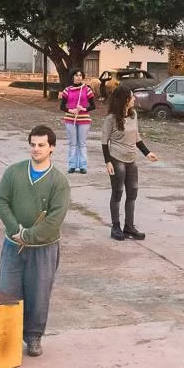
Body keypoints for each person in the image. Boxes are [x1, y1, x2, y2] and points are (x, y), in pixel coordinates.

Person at [0, 125, 72, 357]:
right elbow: (1, 201)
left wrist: (28, 236)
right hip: (13, 246)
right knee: (7, 292)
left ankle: (34, 337)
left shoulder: (59, 181)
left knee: (38, 295)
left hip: (43, 248)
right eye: (33, 145)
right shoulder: (13, 173)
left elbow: (55, 218)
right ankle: (7, 338)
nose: (36, 149)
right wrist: (15, 229)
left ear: (52, 148)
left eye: (41, 145)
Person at [101, 85, 158, 241]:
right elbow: (104, 142)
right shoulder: (111, 119)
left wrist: (147, 153)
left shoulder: (133, 115)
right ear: (125, 100)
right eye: (132, 96)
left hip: (131, 159)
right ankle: (116, 227)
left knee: (132, 193)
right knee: (117, 192)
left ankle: (129, 226)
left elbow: (136, 137)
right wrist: (108, 162)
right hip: (117, 158)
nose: (134, 99)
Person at [59, 68, 96, 174]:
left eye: (80, 75)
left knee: (82, 143)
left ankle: (83, 166)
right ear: (72, 77)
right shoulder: (67, 90)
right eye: (76, 75)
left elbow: (93, 106)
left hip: (84, 120)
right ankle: (72, 165)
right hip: (70, 119)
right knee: (72, 143)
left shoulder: (87, 89)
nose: (78, 77)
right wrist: (71, 110)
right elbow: (62, 106)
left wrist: (83, 108)